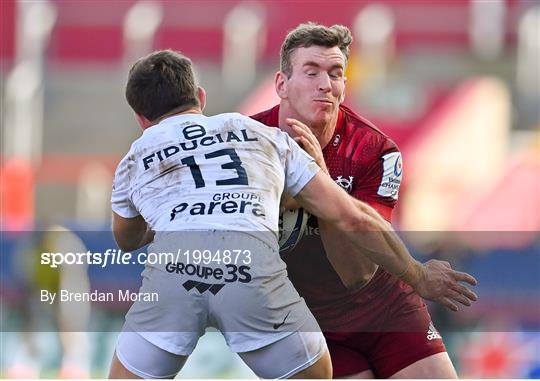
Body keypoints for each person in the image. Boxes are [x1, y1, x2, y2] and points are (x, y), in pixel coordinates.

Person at [108, 49, 476, 379]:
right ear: (201, 98)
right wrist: (418, 275)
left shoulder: (133, 159)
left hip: (175, 276)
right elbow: (353, 218)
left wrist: (182, 214)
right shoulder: (259, 133)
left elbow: (126, 239)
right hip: (251, 273)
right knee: (316, 373)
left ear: (141, 118)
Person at [251, 22, 476, 378]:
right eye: (311, 72)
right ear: (282, 84)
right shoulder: (245, 145)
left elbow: (357, 272)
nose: (325, 84)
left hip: (382, 307)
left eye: (335, 73)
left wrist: (319, 183)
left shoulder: (376, 150)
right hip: (305, 321)